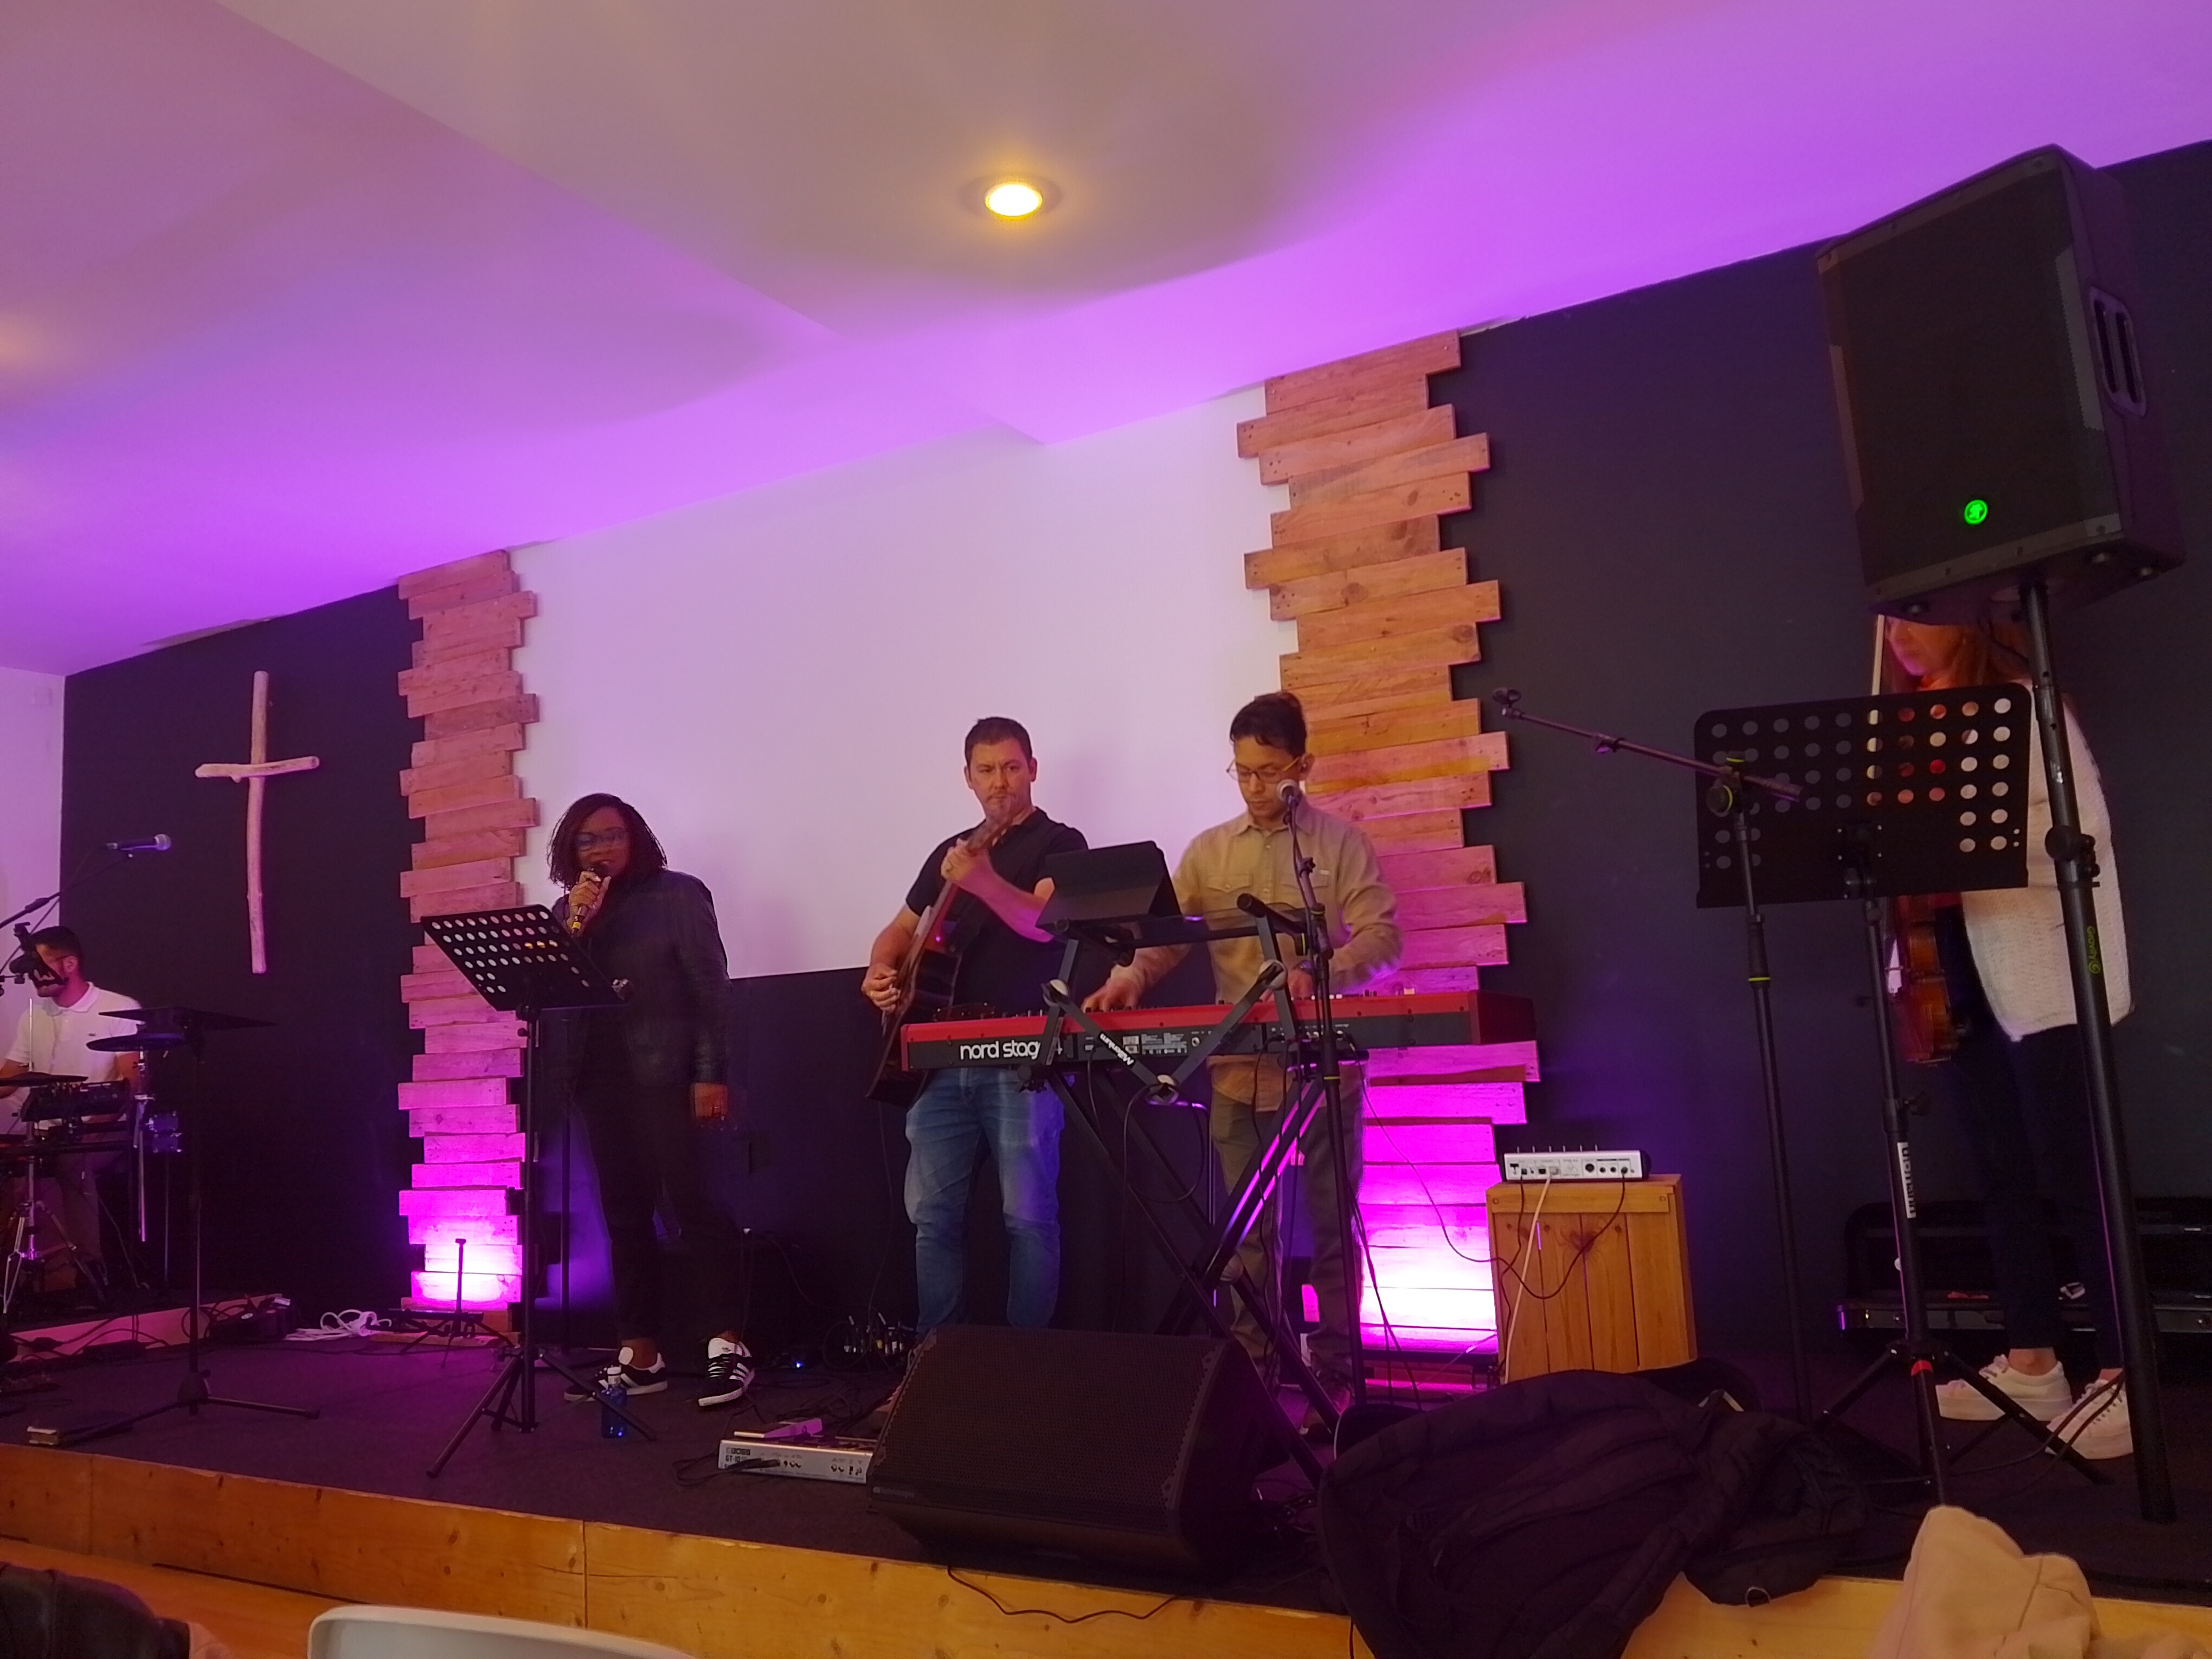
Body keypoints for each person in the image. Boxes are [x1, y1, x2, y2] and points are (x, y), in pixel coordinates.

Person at [1086, 691, 1400, 1424]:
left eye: (1269, 771)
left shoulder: (1339, 845)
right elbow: (1166, 938)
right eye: (1243, 772)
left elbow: (1383, 938)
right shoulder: (1208, 850)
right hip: (1238, 1070)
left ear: (1302, 766)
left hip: (1322, 1068)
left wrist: (1321, 971)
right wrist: (1129, 978)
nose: (1255, 787)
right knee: (1247, 1237)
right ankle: (1256, 1373)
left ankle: (1336, 1377)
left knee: (1332, 1227)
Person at [1883, 618, 2134, 1460]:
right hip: (1947, 955)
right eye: (1890, 620)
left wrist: (1949, 833)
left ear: (1966, 618)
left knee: (2076, 1169)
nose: (1899, 635)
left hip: (2035, 955)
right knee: (1998, 1169)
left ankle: (2121, 1371)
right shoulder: (1905, 721)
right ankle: (2034, 1360)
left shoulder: (2026, 705)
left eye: (1916, 616)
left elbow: (2082, 830)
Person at [862, 717, 1086, 1339]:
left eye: (1011, 768)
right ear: (967, 778)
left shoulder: (1060, 842)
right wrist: (879, 969)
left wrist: (983, 881)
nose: (1000, 782)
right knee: (931, 1217)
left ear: (1033, 770)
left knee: (1028, 1217)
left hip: (1022, 1055)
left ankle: (1024, 1367)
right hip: (938, 1058)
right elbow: (900, 929)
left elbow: (1045, 923)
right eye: (986, 770)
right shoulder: (950, 851)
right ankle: (937, 1360)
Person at [546, 794, 754, 1409]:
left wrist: (710, 1074)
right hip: (598, 1077)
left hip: (669, 1074)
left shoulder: (677, 895)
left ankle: (728, 1345)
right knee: (623, 1214)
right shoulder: (569, 911)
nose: (601, 849)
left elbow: (711, 990)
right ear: (570, 850)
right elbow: (556, 994)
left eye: (613, 835)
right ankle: (641, 1353)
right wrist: (575, 926)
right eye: (587, 840)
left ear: (635, 837)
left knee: (695, 1205)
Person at [0, 927, 140, 1292]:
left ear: (70, 964)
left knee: (69, 1159)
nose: (33, 975)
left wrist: (94, 1128)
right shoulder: (34, 1014)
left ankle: (79, 1275)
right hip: (47, 1130)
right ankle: (20, 1276)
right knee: (14, 1164)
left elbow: (133, 1083)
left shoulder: (118, 1008)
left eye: (40, 965)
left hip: (104, 1127)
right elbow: (10, 1077)